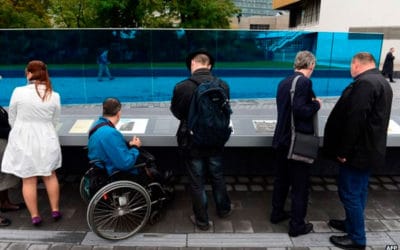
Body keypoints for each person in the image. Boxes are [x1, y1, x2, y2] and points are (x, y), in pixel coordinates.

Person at [324, 52, 392, 249]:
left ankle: (357, 238)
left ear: (356, 64)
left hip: (357, 152)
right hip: (369, 150)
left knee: (350, 193)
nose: (350, 69)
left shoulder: (365, 84)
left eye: (351, 65)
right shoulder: (381, 81)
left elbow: (355, 120)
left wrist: (343, 151)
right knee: (359, 191)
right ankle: (351, 223)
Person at [170, 48, 232, 231]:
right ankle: (224, 209)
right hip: (216, 139)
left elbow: (177, 112)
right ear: (210, 65)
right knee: (217, 175)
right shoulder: (223, 85)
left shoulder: (182, 87)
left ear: (193, 64)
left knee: (197, 182)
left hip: (193, 142)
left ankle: (202, 221)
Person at [1, 60, 62, 226]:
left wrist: (21, 129)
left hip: (24, 139)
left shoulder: (18, 92)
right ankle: (55, 210)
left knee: (28, 179)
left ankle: (35, 215)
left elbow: (12, 117)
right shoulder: (54, 95)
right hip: (47, 137)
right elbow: (55, 120)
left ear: (28, 73)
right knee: (50, 175)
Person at [270, 50, 322, 237]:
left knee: (281, 180)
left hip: (281, 140)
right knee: (300, 185)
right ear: (311, 65)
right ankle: (296, 225)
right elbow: (301, 111)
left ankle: (277, 213)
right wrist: (317, 104)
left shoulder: (283, 82)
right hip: (297, 143)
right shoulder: (304, 82)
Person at [87, 97, 168, 185]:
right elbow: (126, 163)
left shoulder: (96, 125)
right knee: (145, 159)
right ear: (118, 113)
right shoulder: (111, 133)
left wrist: (128, 144)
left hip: (100, 168)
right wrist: (135, 147)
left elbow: (109, 146)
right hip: (113, 172)